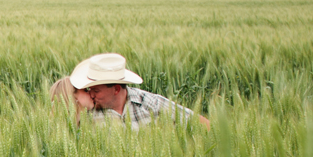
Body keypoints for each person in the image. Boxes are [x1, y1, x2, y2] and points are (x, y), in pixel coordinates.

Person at [69, 53, 210, 130]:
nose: (90, 94)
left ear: (116, 89)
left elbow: (199, 122)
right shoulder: (87, 115)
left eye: (96, 90)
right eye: (89, 89)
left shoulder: (151, 103)